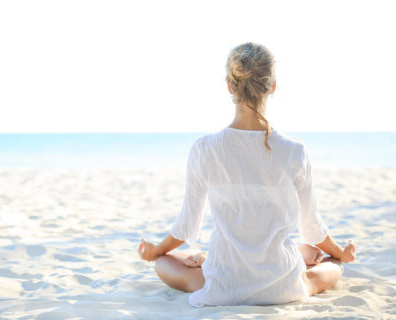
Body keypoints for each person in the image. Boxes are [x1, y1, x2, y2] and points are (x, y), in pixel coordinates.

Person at [137, 42, 356, 307]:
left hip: (225, 285)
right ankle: (301, 257)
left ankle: (214, 260)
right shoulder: (294, 150)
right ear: (272, 86)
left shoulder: (204, 148)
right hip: (282, 286)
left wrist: (154, 251)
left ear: (230, 86)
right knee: (333, 264)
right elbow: (312, 226)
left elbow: (186, 227)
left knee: (164, 263)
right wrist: (340, 253)